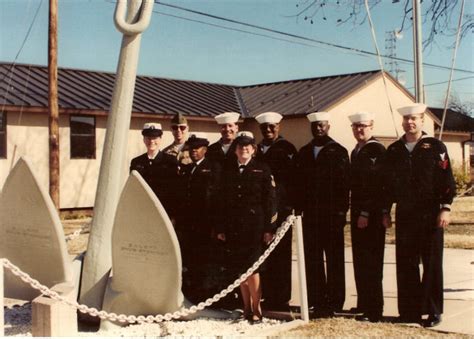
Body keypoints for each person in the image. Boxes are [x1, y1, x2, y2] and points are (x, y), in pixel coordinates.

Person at [383, 103, 456, 327]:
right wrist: (386, 211)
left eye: (414, 118)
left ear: (422, 121)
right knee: (406, 264)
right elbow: (387, 185)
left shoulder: (435, 146)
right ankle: (409, 312)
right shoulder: (394, 150)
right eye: (406, 119)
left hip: (431, 214)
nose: (410, 122)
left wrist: (445, 207)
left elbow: (446, 179)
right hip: (406, 214)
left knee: (432, 263)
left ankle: (433, 311)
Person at [216, 131, 276, 323]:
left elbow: (270, 200)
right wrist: (222, 228)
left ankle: (257, 308)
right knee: (240, 269)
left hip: (254, 227)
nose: (244, 149)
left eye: (248, 146)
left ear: (253, 149)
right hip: (234, 227)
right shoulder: (228, 171)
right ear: (235, 150)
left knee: (253, 269)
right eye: (240, 146)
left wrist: (269, 227)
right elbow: (223, 202)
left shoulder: (262, 169)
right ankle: (246, 307)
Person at [295, 112, 350, 318]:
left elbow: (345, 186)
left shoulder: (338, 151)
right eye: (315, 125)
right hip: (310, 217)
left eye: (322, 125)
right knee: (313, 260)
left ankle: (335, 301)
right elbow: (298, 185)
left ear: (329, 127)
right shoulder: (305, 152)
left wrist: (341, 211)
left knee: (334, 259)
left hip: (332, 216)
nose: (318, 128)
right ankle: (317, 300)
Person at [254, 111, 297, 311]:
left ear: (279, 127)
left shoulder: (287, 149)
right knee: (263, 255)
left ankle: (281, 298)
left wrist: (290, 207)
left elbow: (295, 181)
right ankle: (266, 295)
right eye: (265, 128)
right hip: (261, 210)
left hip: (281, 210)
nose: (269, 130)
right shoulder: (256, 149)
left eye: (272, 127)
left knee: (281, 255)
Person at [348, 112, 387, 323]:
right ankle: (364, 302)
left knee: (372, 262)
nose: (359, 130)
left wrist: (365, 212)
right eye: (355, 126)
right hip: (358, 212)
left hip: (370, 214)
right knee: (361, 260)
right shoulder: (357, 150)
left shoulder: (376, 150)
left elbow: (375, 186)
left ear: (371, 127)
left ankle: (374, 309)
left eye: (363, 126)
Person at [177, 132, 222, 304]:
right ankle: (193, 293)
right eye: (191, 149)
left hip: (206, 223)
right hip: (190, 224)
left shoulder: (213, 168)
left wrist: (216, 225)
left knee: (206, 260)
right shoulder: (188, 169)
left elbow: (216, 198)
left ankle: (208, 295)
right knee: (192, 259)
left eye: (197, 149)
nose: (193, 152)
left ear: (205, 149)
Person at [130, 122, 179, 220]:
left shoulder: (170, 161)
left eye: (155, 138)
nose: (151, 141)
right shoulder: (136, 162)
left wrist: (173, 215)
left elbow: (174, 191)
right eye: (148, 138)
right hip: (142, 210)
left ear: (160, 139)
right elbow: (134, 189)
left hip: (164, 211)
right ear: (144, 139)